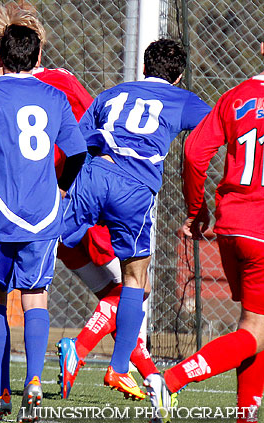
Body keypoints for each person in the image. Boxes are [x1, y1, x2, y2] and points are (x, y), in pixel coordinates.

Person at [0, 7, 160, 401]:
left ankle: (14, 364)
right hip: (68, 205)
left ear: (1, 53)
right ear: (39, 50)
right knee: (130, 287)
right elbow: (91, 131)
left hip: (8, 210)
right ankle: (110, 363)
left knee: (3, 289)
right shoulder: (59, 87)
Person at [60, 38, 211, 404]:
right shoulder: (184, 99)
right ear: (178, 77)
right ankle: (118, 366)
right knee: (135, 279)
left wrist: (68, 187)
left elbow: (76, 143)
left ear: (144, 68)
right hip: (136, 188)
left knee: (46, 243)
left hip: (96, 175)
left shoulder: (112, 93)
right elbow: (213, 131)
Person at [0, 8, 87, 420]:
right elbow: (79, 150)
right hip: (43, 214)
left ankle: (2, 392)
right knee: (35, 297)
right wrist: (62, 185)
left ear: (0, 57)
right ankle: (34, 380)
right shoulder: (55, 96)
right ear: (37, 54)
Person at [146, 42, 264, 423]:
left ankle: (245, 417)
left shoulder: (234, 97)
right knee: (255, 330)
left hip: (232, 226)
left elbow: (195, 152)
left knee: (255, 325)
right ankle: (172, 379)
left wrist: (197, 213)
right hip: (262, 231)